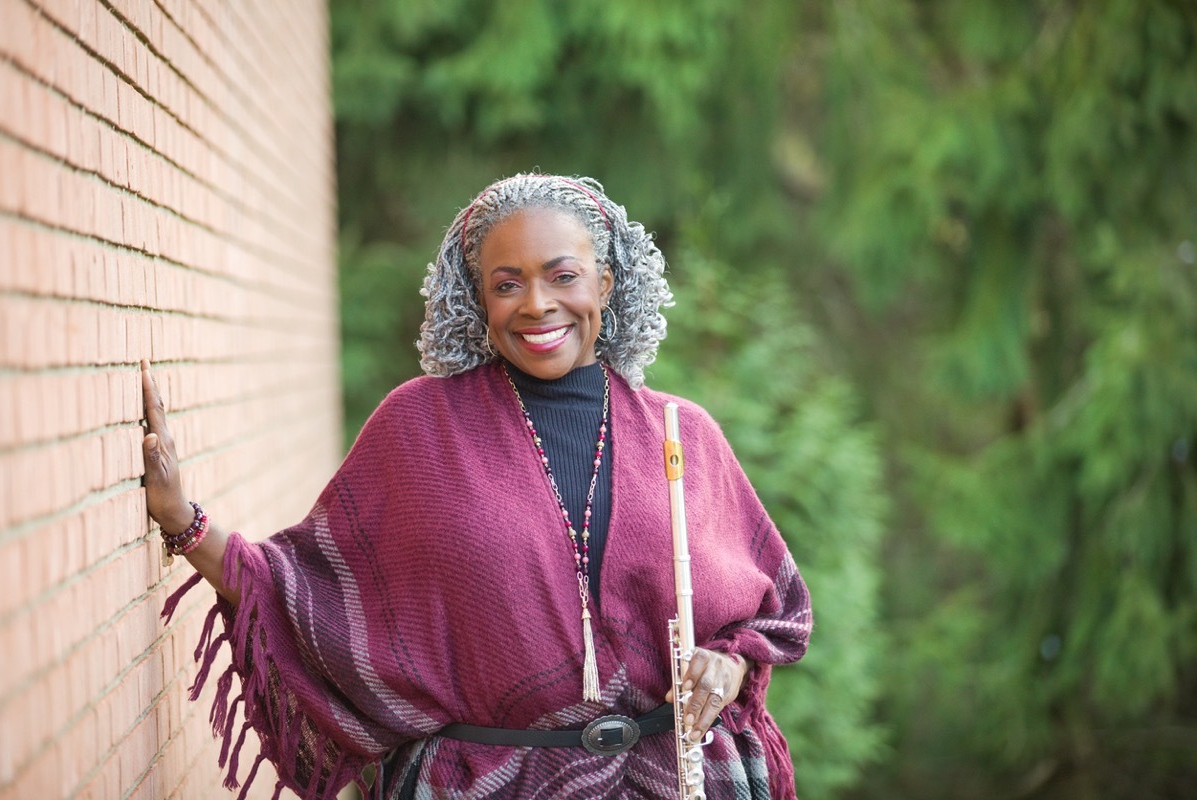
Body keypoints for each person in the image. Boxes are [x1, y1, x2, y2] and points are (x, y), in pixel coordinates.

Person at [143, 173, 812, 799]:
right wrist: (183, 521)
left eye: (564, 276)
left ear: (606, 283)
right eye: (507, 283)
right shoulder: (420, 428)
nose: (538, 303)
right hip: (480, 783)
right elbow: (301, 590)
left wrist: (729, 665)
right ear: (478, 299)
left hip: (680, 778)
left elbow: (772, 611)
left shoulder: (682, 433)